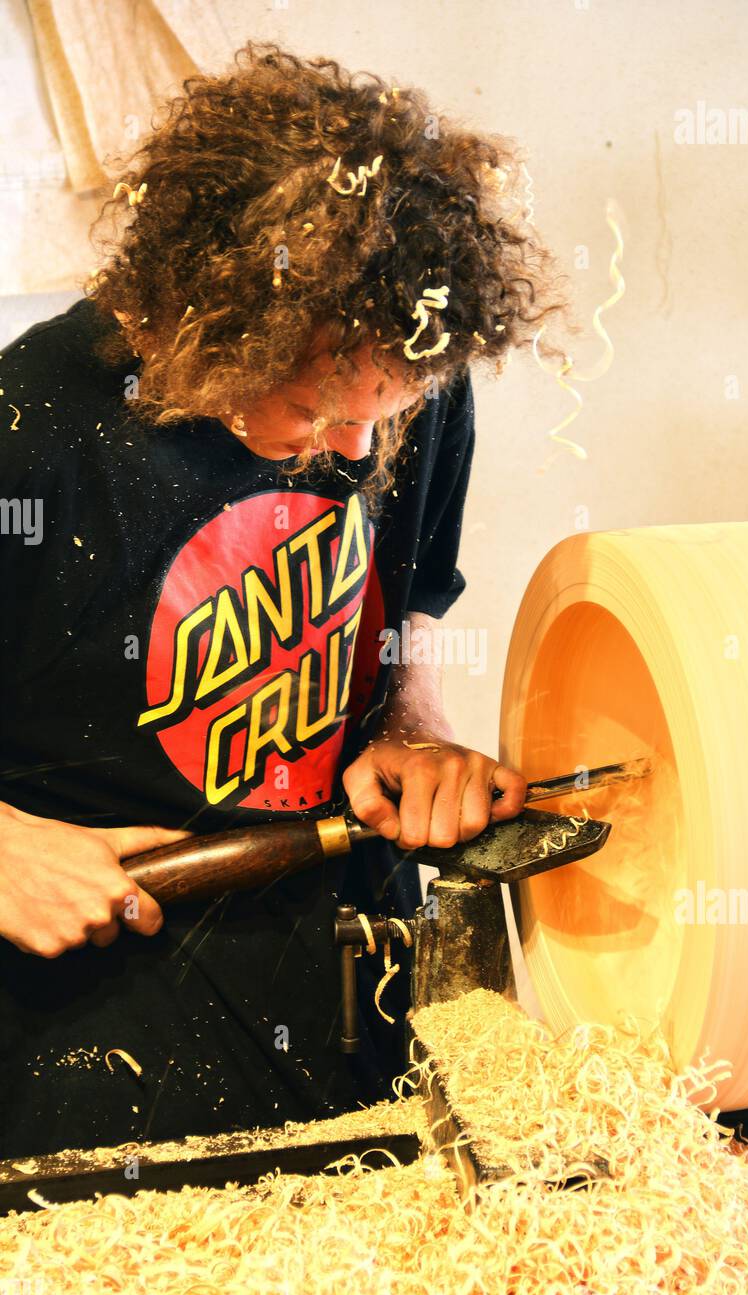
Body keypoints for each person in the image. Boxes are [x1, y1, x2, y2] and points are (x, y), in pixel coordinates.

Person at [0, 45, 560, 1158]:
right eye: (309, 405)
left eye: (388, 409)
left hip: (354, 968)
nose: (356, 446)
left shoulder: (393, 372)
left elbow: (403, 605)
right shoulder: (30, 435)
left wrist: (413, 729)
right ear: (192, 321)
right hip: (97, 1016)